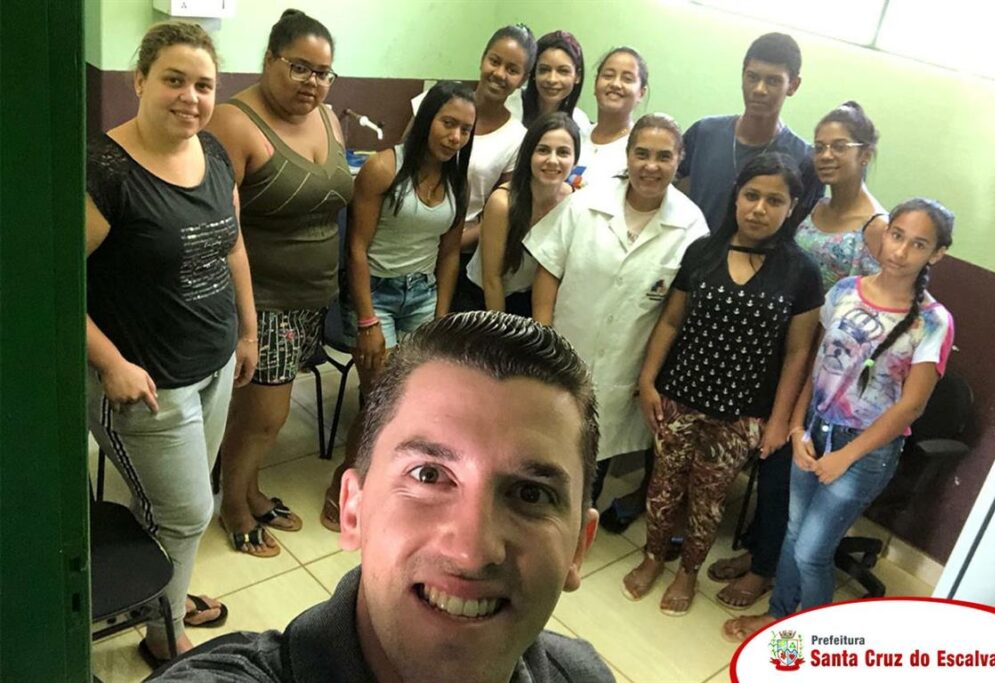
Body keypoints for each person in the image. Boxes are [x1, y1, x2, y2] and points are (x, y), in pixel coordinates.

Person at [149, 312, 615, 683]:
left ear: (579, 547)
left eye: (531, 494)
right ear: (353, 508)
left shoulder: (583, 673)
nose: (471, 553)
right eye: (429, 475)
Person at [85, 21, 256, 664]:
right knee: (186, 512)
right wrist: (112, 363)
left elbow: (233, 245)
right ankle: (164, 635)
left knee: (173, 505)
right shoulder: (105, 171)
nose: (190, 97)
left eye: (204, 85)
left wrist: (247, 330)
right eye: (174, 80)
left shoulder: (212, 153)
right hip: (148, 383)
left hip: (213, 363)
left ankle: (165, 594)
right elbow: (48, 285)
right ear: (140, 80)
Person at [723, 198, 955, 642]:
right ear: (885, 233)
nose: (901, 251)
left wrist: (844, 457)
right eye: (897, 235)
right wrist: (796, 428)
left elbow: (911, 407)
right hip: (813, 431)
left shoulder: (934, 322)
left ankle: (814, 639)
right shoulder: (845, 290)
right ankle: (779, 617)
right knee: (793, 535)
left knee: (811, 552)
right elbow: (817, 365)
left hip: (863, 451)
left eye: (918, 244)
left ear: (937, 253)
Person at [622, 153, 823, 616]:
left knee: (708, 500)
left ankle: (688, 573)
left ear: (791, 207)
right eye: (751, 195)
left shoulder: (801, 272)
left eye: (774, 200)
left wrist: (779, 421)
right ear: (736, 197)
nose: (759, 209)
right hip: (678, 398)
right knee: (664, 487)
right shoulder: (703, 251)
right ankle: (653, 557)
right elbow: (671, 321)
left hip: (742, 413)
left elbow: (798, 353)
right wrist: (648, 380)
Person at [709, 101, 887, 607]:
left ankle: (766, 569)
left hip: (827, 370)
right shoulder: (815, 205)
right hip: (786, 348)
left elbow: (884, 309)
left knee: (785, 470)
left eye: (839, 146)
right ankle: (760, 552)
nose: (826, 155)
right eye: (820, 145)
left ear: (866, 154)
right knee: (771, 462)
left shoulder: (876, 226)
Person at [205, 10, 354, 557]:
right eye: (299, 67)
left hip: (312, 297)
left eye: (323, 72)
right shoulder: (233, 122)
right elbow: (221, 229)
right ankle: (234, 505)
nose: (312, 82)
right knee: (264, 416)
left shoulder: (329, 117)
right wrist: (246, 323)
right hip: (262, 301)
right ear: (270, 60)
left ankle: (250, 490)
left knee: (263, 416)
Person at [319, 80, 475, 530]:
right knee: (381, 400)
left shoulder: (456, 182)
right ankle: (344, 485)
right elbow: (356, 249)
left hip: (422, 295)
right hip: (377, 295)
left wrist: (441, 316)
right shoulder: (384, 168)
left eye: (465, 130)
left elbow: (449, 254)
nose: (455, 137)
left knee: (416, 400)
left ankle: (391, 484)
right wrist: (367, 319)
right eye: (448, 123)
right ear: (427, 119)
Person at [526, 113, 709, 493]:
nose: (651, 166)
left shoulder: (691, 226)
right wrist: (542, 340)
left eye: (663, 156)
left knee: (593, 463)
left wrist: (649, 375)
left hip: (624, 370)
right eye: (642, 154)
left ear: (679, 160)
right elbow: (548, 269)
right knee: (543, 452)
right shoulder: (587, 202)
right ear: (628, 156)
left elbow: (675, 314)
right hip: (561, 353)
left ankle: (581, 526)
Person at [412, 25, 535, 311]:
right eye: (495, 61)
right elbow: (402, 165)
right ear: (482, 59)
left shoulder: (517, 138)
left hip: (463, 256)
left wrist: (450, 243)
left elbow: (499, 213)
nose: (500, 74)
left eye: (512, 69)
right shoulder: (436, 103)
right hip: (409, 241)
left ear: (524, 79)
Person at [676, 32, 823, 234]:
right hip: (692, 251)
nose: (759, 89)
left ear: (793, 85)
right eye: (752, 77)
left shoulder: (805, 160)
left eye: (773, 81)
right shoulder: (704, 133)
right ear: (742, 75)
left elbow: (801, 234)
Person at [466, 112, 579, 315]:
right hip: (486, 300)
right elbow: (492, 280)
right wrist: (503, 330)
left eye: (563, 152)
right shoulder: (503, 203)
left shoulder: (571, 199)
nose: (552, 160)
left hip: (533, 300)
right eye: (543, 150)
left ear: (575, 160)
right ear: (529, 155)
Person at [573, 47, 648, 187]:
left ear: (641, 93)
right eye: (608, 75)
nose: (615, 84)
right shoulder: (576, 136)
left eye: (627, 79)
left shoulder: (640, 150)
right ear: (595, 85)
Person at [506, 30, 590, 132]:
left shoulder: (580, 122)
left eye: (563, 71)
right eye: (544, 70)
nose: (552, 79)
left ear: (577, 76)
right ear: (534, 71)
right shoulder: (510, 105)